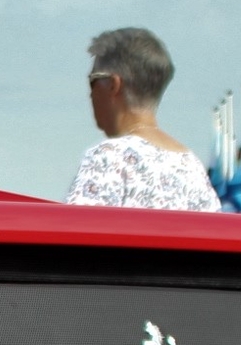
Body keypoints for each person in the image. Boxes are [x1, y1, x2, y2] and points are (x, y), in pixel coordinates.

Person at [64, 28, 221, 212]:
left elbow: (74, 231)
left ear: (114, 85)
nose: (90, 94)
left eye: (93, 81)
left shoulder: (109, 157)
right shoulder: (191, 166)